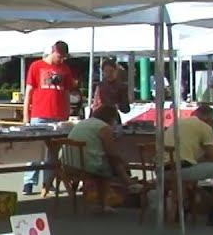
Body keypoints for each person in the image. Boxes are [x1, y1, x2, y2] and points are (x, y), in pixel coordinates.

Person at [21, 41, 78, 195]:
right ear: (53, 52)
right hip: (39, 114)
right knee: (35, 150)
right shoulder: (36, 66)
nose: (61, 59)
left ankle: (48, 182)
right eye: (60, 56)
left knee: (53, 152)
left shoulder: (65, 69)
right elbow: (29, 92)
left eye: (64, 57)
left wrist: (67, 114)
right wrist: (26, 115)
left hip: (59, 116)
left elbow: (67, 92)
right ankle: (29, 182)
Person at [165, 104, 213, 226]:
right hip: (181, 170)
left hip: (162, 170)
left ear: (194, 114)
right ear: (209, 119)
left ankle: (182, 208)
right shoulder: (204, 127)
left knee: (191, 166)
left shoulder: (177, 123)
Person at [61, 105, 132, 213]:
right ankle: (123, 189)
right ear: (111, 118)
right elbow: (111, 152)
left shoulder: (84, 123)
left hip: (68, 163)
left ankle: (128, 184)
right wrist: (123, 162)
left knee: (111, 162)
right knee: (112, 163)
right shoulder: (104, 128)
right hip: (86, 165)